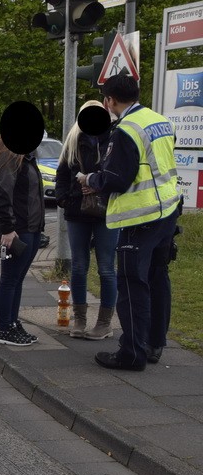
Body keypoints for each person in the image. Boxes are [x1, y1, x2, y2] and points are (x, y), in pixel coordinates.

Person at [78, 75, 181, 371]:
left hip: (141, 215)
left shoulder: (125, 130)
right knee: (157, 277)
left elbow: (118, 179)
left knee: (132, 283)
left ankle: (131, 353)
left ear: (109, 101)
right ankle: (153, 342)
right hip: (167, 209)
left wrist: (90, 179)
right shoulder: (159, 120)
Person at [55, 100, 119, 340]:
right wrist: (64, 199)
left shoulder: (113, 139)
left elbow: (119, 174)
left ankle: (104, 323)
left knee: (106, 268)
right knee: (79, 267)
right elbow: (62, 175)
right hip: (77, 211)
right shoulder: (73, 142)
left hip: (106, 212)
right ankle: (80, 320)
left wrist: (96, 184)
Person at [0, 135, 45, 346]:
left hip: (29, 227)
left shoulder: (26, 157)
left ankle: (11, 323)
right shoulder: (9, 155)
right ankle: (3, 328)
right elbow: (1, 192)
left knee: (17, 279)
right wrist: (7, 228)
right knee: (10, 279)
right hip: (17, 229)